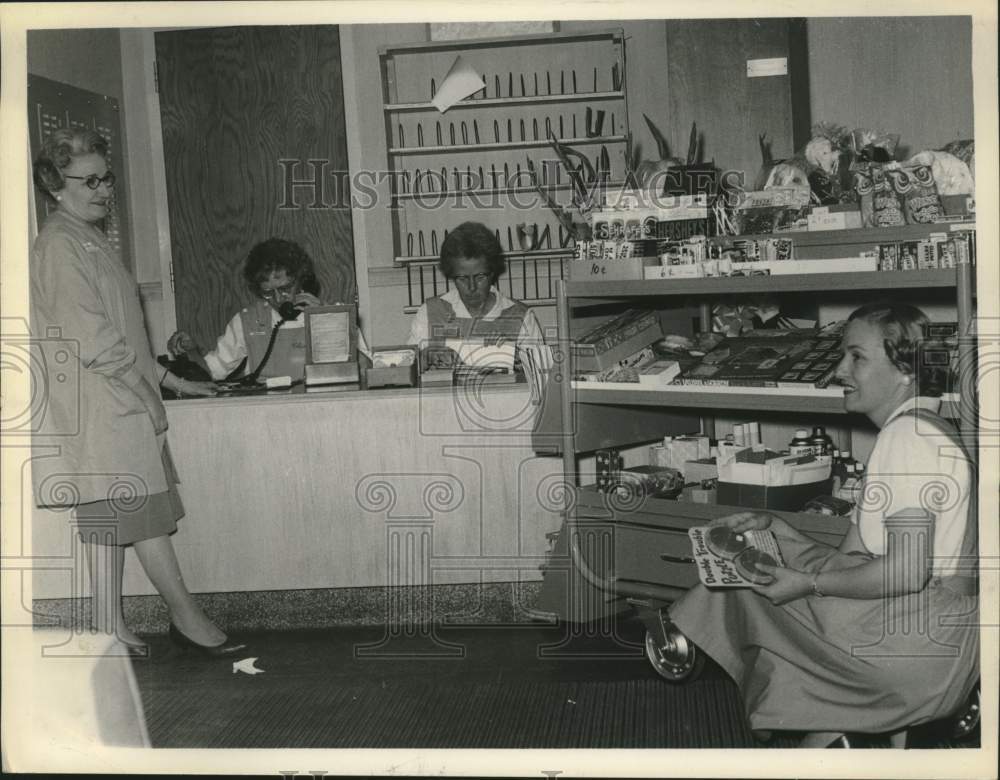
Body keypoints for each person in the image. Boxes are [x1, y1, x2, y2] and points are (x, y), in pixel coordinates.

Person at [669, 302, 978, 747]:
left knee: (744, 587)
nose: (838, 370)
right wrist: (778, 528)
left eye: (856, 357)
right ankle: (840, 734)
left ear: (906, 371)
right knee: (781, 564)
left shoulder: (907, 440)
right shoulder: (929, 428)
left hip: (913, 645)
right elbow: (850, 557)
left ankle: (693, 640)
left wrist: (807, 585)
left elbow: (906, 571)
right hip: (936, 640)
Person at [31, 128, 245, 657]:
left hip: (111, 399)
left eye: (107, 179)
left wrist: (173, 381)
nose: (105, 189)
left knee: (109, 516)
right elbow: (92, 338)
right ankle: (185, 617)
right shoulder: (59, 244)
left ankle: (110, 627)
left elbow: (124, 331)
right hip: (106, 402)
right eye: (91, 180)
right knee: (144, 514)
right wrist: (147, 396)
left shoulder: (85, 236)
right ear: (56, 185)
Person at [167, 238, 323, 382]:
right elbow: (213, 371)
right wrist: (192, 351)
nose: (278, 299)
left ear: (301, 281)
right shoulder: (248, 320)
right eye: (268, 292)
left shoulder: (324, 314)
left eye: (285, 289)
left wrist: (323, 322)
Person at [406, 221, 544, 371]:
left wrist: (513, 356)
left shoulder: (521, 317)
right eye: (462, 278)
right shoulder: (429, 313)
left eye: (480, 277)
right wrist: (426, 357)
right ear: (451, 275)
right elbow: (407, 368)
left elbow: (542, 375)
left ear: (492, 273)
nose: (472, 287)